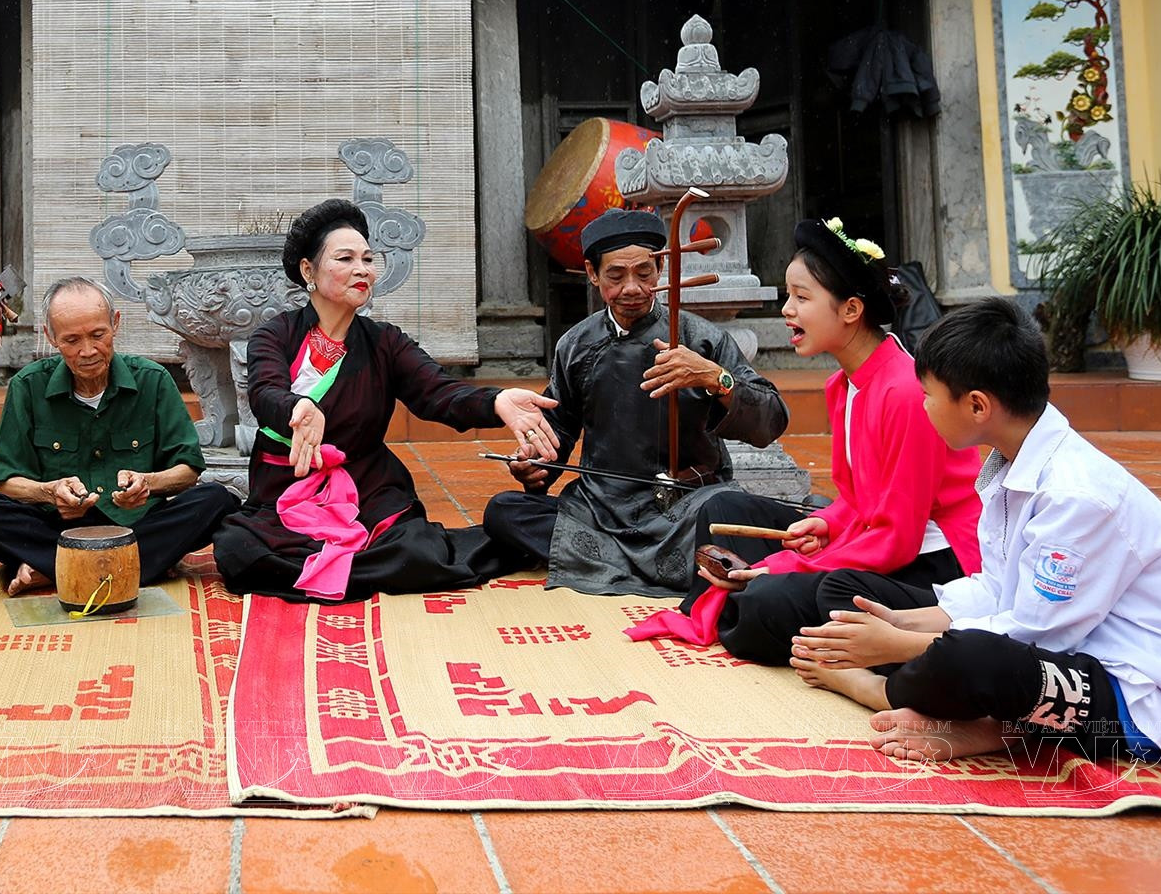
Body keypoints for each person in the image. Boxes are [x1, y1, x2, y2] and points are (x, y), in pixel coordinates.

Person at [789, 298, 1161, 767]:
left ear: (977, 406)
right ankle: (988, 718)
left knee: (974, 660)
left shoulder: (1077, 496)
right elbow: (995, 589)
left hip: (1133, 692)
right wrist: (900, 622)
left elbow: (1036, 635)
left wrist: (896, 645)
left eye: (928, 395)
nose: (923, 406)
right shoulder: (1010, 465)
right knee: (847, 595)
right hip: (1051, 649)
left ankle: (883, 691)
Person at [628, 218, 982, 662]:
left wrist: (785, 567)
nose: (787, 310)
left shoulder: (905, 392)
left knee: (767, 600)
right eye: (789, 296)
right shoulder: (842, 385)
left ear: (851, 310)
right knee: (722, 509)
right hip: (876, 540)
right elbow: (857, 499)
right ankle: (740, 603)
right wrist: (828, 523)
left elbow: (898, 538)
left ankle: (745, 603)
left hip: (930, 564)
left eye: (802, 297)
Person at [213, 199, 561, 602]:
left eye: (367, 259)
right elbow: (264, 392)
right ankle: (356, 567)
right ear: (308, 271)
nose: (363, 269)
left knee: (417, 551)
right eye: (345, 258)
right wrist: (297, 407)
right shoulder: (275, 335)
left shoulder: (385, 342)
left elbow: (438, 392)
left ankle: (338, 569)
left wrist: (496, 400)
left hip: (367, 487)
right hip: (285, 488)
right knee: (238, 550)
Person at [480, 208, 789, 596]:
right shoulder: (575, 345)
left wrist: (714, 377)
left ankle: (606, 564)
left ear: (660, 269)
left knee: (726, 511)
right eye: (616, 276)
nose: (632, 288)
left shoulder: (700, 338)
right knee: (504, 511)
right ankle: (663, 567)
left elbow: (772, 419)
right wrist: (535, 466)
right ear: (592, 273)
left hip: (687, 505)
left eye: (644, 273)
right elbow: (556, 429)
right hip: (601, 509)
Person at [0, 277, 239, 596]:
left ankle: (54, 566)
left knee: (217, 500)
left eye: (98, 335)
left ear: (115, 324)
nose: (87, 351)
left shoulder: (153, 380)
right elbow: (7, 479)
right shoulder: (28, 386)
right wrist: (49, 492)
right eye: (71, 340)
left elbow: (188, 469)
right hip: (56, 526)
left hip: (136, 524)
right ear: (51, 337)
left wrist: (149, 483)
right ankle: (123, 566)